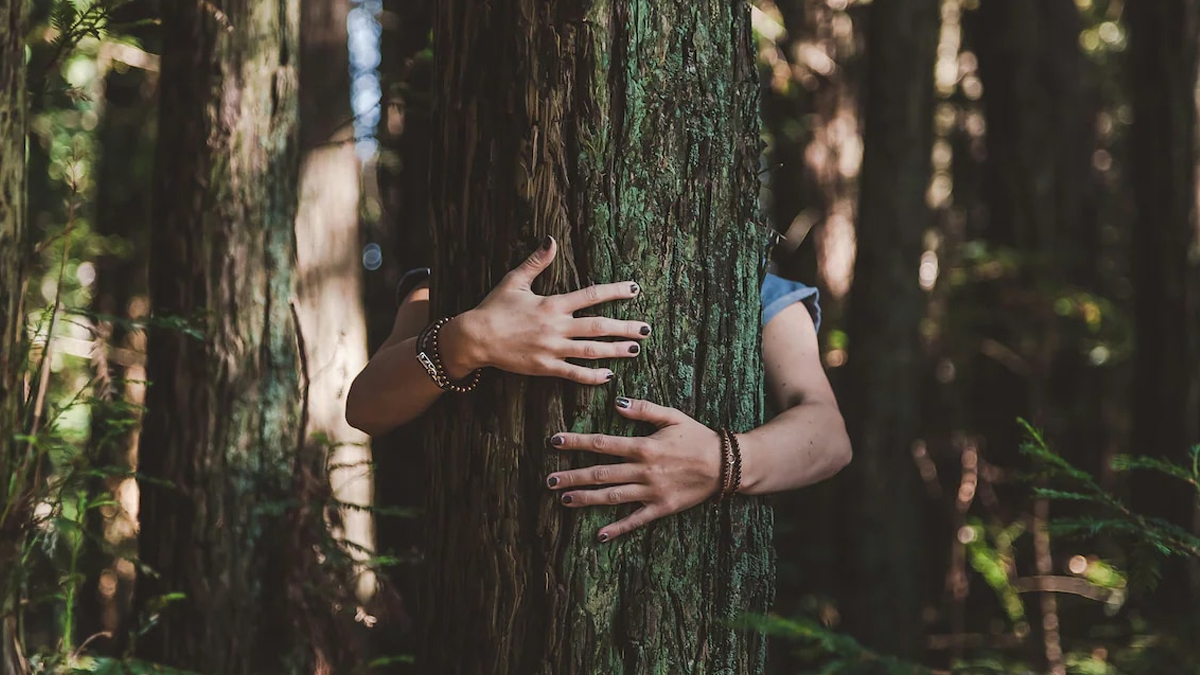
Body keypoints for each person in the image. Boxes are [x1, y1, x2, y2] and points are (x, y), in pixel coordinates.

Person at [345, 235, 851, 542]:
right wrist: (468, 339)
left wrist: (721, 461)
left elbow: (828, 434)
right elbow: (367, 406)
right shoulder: (455, 276)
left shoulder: (751, 288)